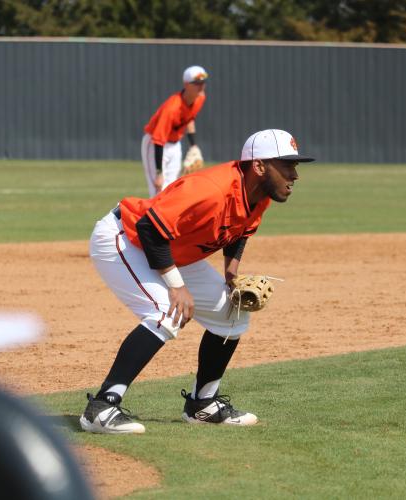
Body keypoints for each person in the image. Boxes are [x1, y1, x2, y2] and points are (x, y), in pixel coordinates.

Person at [80, 129, 315, 434]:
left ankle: (202, 405)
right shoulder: (211, 190)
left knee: (231, 312)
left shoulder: (259, 194)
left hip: (170, 249)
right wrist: (177, 286)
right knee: (167, 311)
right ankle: (101, 406)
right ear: (259, 166)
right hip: (126, 239)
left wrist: (231, 275)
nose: (294, 174)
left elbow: (240, 233)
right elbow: (149, 228)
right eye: (287, 166)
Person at [141, 65, 208, 197]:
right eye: (197, 83)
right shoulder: (171, 108)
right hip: (155, 145)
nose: (201, 86)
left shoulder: (200, 98)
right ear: (187, 85)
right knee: (158, 193)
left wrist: (193, 145)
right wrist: (159, 173)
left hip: (175, 144)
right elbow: (158, 140)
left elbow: (189, 119)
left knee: (173, 191)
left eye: (203, 82)